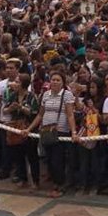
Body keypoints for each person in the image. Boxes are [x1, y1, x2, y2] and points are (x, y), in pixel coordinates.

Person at [26, 70, 77, 198]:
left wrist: (74, 132)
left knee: (57, 160)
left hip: (60, 131)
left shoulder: (67, 95)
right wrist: (29, 128)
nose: (54, 82)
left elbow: (70, 115)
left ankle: (59, 185)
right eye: (53, 79)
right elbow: (40, 114)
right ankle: (55, 182)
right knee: (48, 159)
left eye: (58, 80)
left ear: (63, 82)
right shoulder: (45, 95)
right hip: (46, 131)